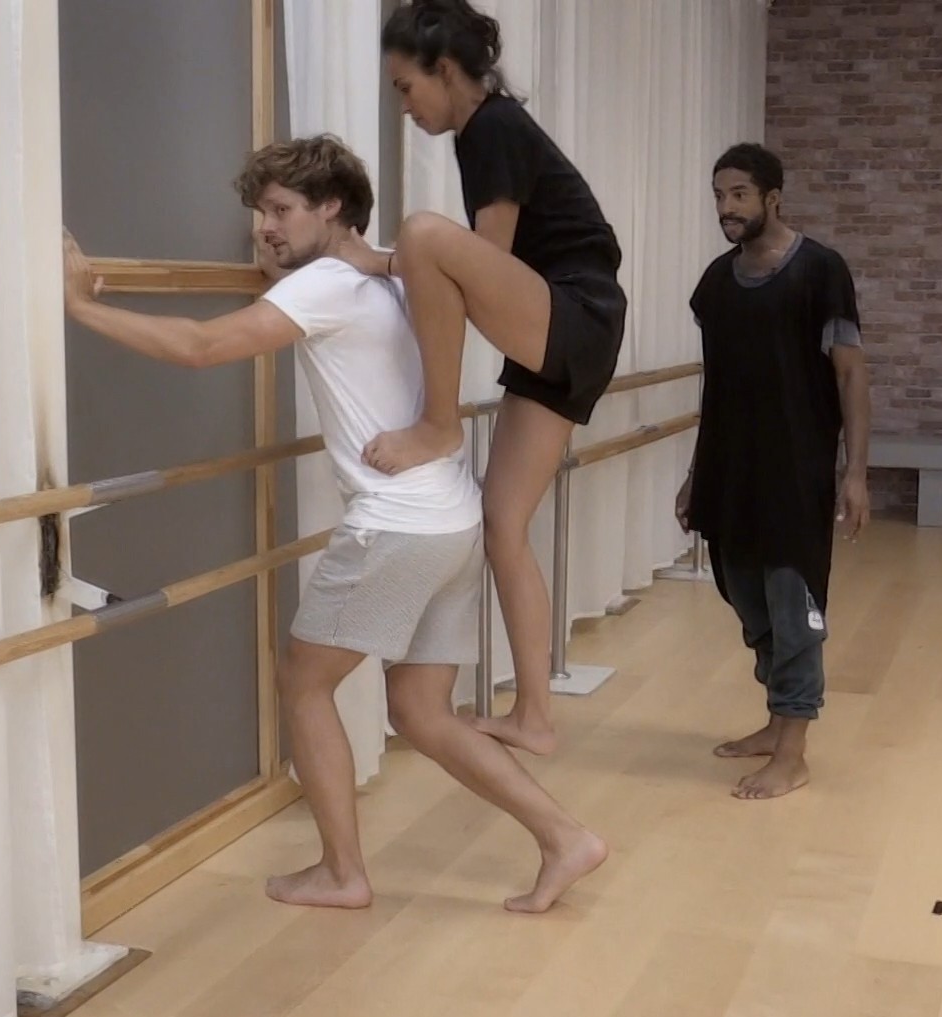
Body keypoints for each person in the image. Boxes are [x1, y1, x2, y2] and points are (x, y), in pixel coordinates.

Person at [61, 135, 606, 912]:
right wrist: (285, 271)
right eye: (259, 213)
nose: (264, 228)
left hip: (397, 526)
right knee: (419, 710)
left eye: (280, 210)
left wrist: (83, 306)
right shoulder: (394, 279)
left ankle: (343, 873)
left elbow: (203, 347)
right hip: (450, 518)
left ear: (332, 208)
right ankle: (564, 838)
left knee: (303, 682)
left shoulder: (326, 286)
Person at [334, 0, 627, 757]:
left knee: (424, 233)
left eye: (406, 88)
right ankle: (534, 714)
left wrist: (378, 260)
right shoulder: (486, 132)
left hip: (574, 312)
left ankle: (438, 425)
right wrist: (394, 263)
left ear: (445, 70)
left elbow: (479, 262)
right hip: (565, 325)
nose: (405, 107)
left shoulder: (492, 127)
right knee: (503, 525)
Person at [677, 143, 871, 800]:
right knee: (747, 600)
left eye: (738, 195)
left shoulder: (821, 271)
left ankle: (793, 753)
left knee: (794, 611)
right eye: (719, 196)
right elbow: (717, 388)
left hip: (795, 473)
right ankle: (776, 722)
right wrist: (695, 472)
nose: (726, 208)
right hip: (730, 472)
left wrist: (856, 473)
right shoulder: (715, 284)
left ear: (773, 198)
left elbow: (851, 375)